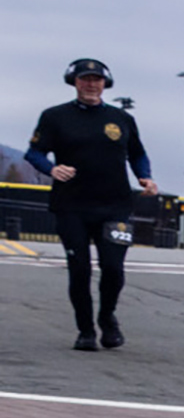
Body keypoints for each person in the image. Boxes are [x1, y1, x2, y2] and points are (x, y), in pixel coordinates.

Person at [24, 58, 157, 351]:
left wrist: (145, 177)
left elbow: (137, 154)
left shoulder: (121, 119)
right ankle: (85, 330)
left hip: (115, 205)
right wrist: (51, 169)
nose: (91, 84)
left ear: (105, 84)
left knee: (113, 268)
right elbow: (33, 153)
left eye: (96, 79)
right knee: (79, 268)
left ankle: (107, 318)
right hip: (71, 205)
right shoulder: (55, 117)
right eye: (85, 79)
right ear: (74, 82)